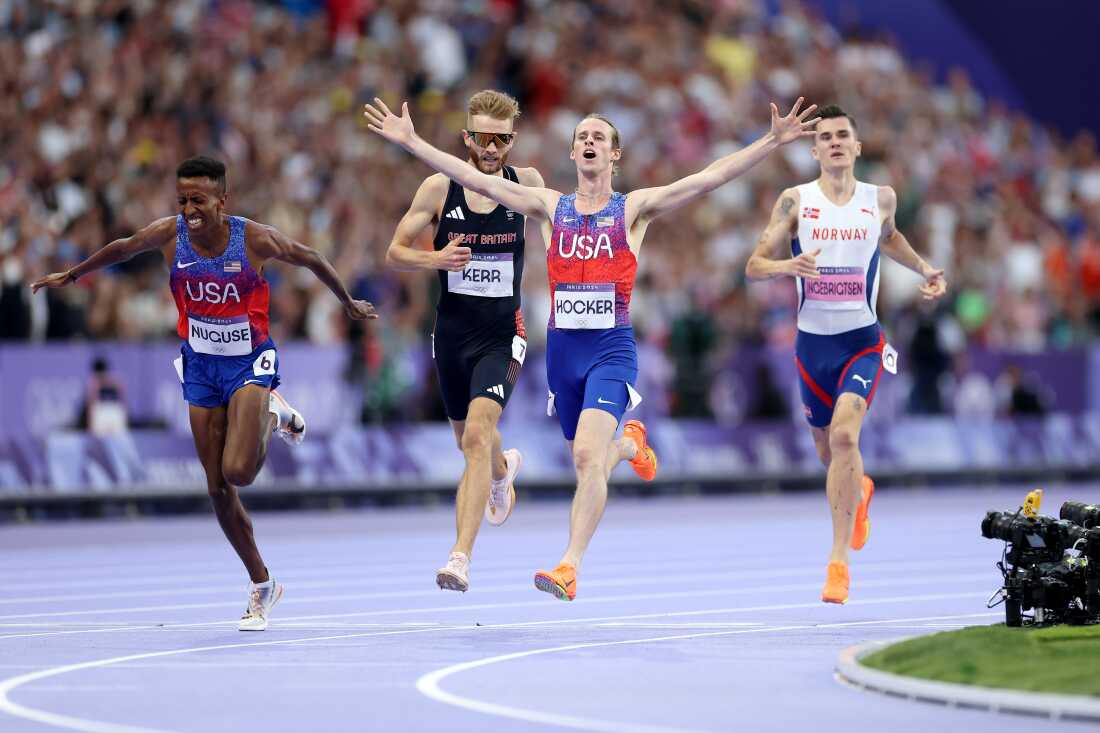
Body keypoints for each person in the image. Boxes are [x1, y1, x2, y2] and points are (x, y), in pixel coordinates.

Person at [365, 96, 819, 601]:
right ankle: (629, 445)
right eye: (581, 135)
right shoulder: (548, 207)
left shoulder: (634, 210)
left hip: (610, 349)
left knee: (585, 456)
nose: (588, 141)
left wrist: (770, 142)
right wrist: (412, 142)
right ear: (573, 150)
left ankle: (569, 565)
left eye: (598, 137)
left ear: (614, 155)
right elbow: (474, 180)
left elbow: (707, 178)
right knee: (594, 454)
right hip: (563, 354)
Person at [32, 156, 377, 629]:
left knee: (241, 470)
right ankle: (263, 585)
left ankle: (273, 414)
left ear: (222, 200)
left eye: (198, 200)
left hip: (249, 361)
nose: (189, 209)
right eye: (182, 200)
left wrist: (348, 303)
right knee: (217, 488)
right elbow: (125, 247)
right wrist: (73, 275)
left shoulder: (252, 238)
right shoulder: (170, 235)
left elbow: (310, 257)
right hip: (199, 364)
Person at [745, 105, 947, 604]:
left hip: (862, 341)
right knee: (827, 452)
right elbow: (753, 265)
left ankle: (838, 563)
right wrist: (788, 264)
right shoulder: (794, 201)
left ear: (857, 147)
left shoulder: (880, 198)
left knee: (842, 438)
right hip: (812, 347)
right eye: (826, 136)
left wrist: (924, 268)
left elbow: (891, 237)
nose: (835, 142)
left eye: (843, 136)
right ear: (814, 150)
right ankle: (860, 491)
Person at [384, 90, 542, 592]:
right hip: (452, 335)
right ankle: (502, 470)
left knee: (476, 436)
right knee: (467, 441)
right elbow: (395, 252)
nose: (490, 148)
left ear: (511, 141)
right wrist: (437, 260)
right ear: (466, 138)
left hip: (503, 334)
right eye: (481, 138)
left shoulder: (528, 184)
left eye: (500, 140)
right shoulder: (438, 188)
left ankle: (460, 557)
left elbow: (567, 225)